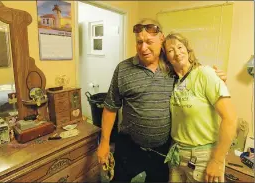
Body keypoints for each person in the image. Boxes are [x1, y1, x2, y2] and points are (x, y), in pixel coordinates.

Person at [97, 18, 227, 182]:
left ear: (161, 39)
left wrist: (217, 77)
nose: (143, 48)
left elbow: (195, 74)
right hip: (129, 146)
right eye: (139, 42)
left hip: (162, 150)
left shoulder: (173, 66)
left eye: (149, 42)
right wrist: (104, 143)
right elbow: (110, 107)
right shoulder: (123, 68)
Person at [163, 33, 237, 183]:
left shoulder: (205, 74)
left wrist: (217, 160)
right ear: (166, 57)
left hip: (203, 156)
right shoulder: (173, 81)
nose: (177, 53)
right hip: (177, 154)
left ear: (188, 50)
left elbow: (230, 118)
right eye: (171, 50)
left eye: (180, 47)